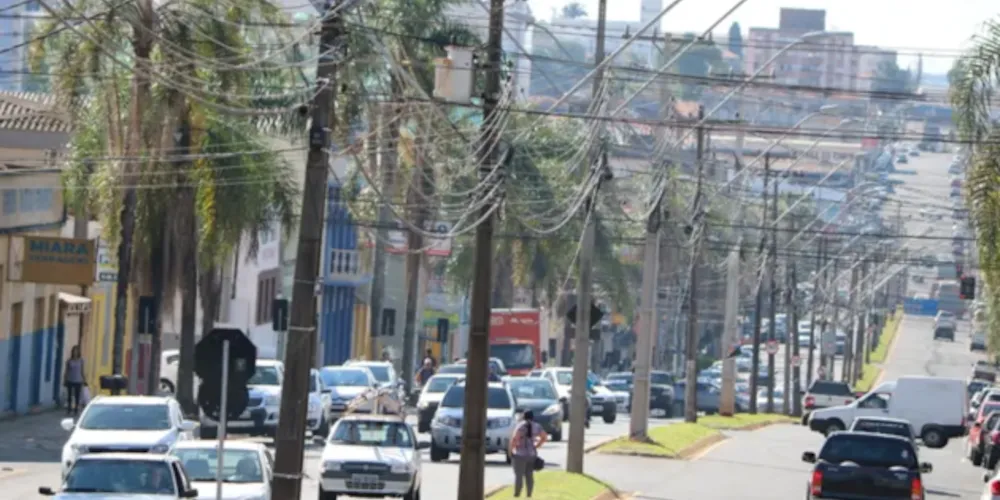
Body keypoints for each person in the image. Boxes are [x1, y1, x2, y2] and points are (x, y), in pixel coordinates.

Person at [509, 410, 548, 498]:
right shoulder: (537, 426)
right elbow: (544, 437)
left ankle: (517, 494)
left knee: (519, 475)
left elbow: (515, 439)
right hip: (531, 454)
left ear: (524, 416)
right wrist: (537, 446)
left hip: (520, 454)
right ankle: (529, 494)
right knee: (529, 475)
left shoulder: (520, 426)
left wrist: (511, 451)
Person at [64, 346, 86, 416]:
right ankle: (69, 409)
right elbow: (66, 371)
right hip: (70, 379)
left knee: (77, 396)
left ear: (78, 352)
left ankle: (76, 409)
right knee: (69, 395)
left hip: (78, 380)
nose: (75, 352)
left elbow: (82, 371)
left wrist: (84, 380)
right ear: (72, 352)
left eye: (76, 351)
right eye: (74, 351)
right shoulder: (69, 361)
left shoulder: (81, 361)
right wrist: (65, 379)